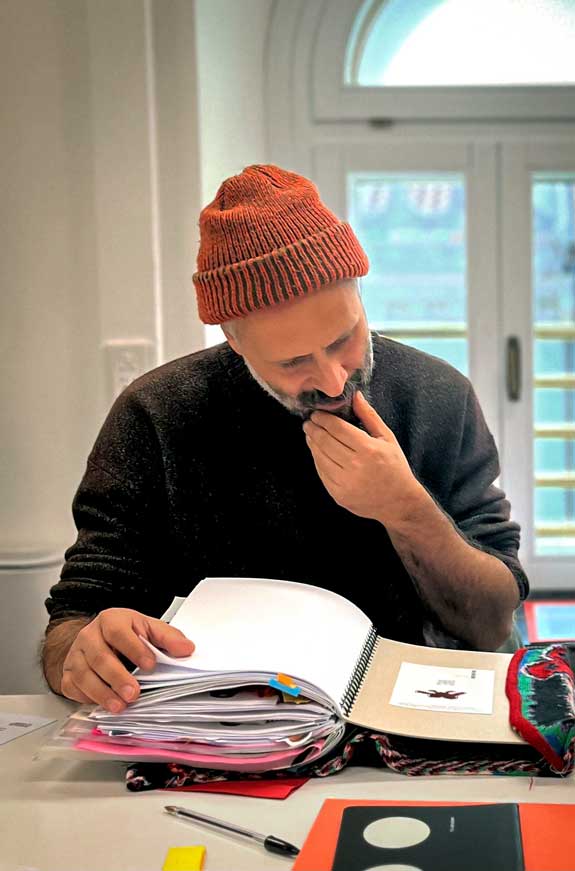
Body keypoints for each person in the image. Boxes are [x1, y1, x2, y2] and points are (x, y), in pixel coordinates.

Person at [42, 164, 528, 715]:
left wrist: (406, 510)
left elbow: (491, 625)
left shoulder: (437, 395)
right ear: (233, 339)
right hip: (218, 734)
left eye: (345, 338)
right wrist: (84, 655)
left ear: (360, 292)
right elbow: (70, 625)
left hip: (409, 727)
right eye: (294, 361)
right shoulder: (156, 413)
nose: (332, 380)